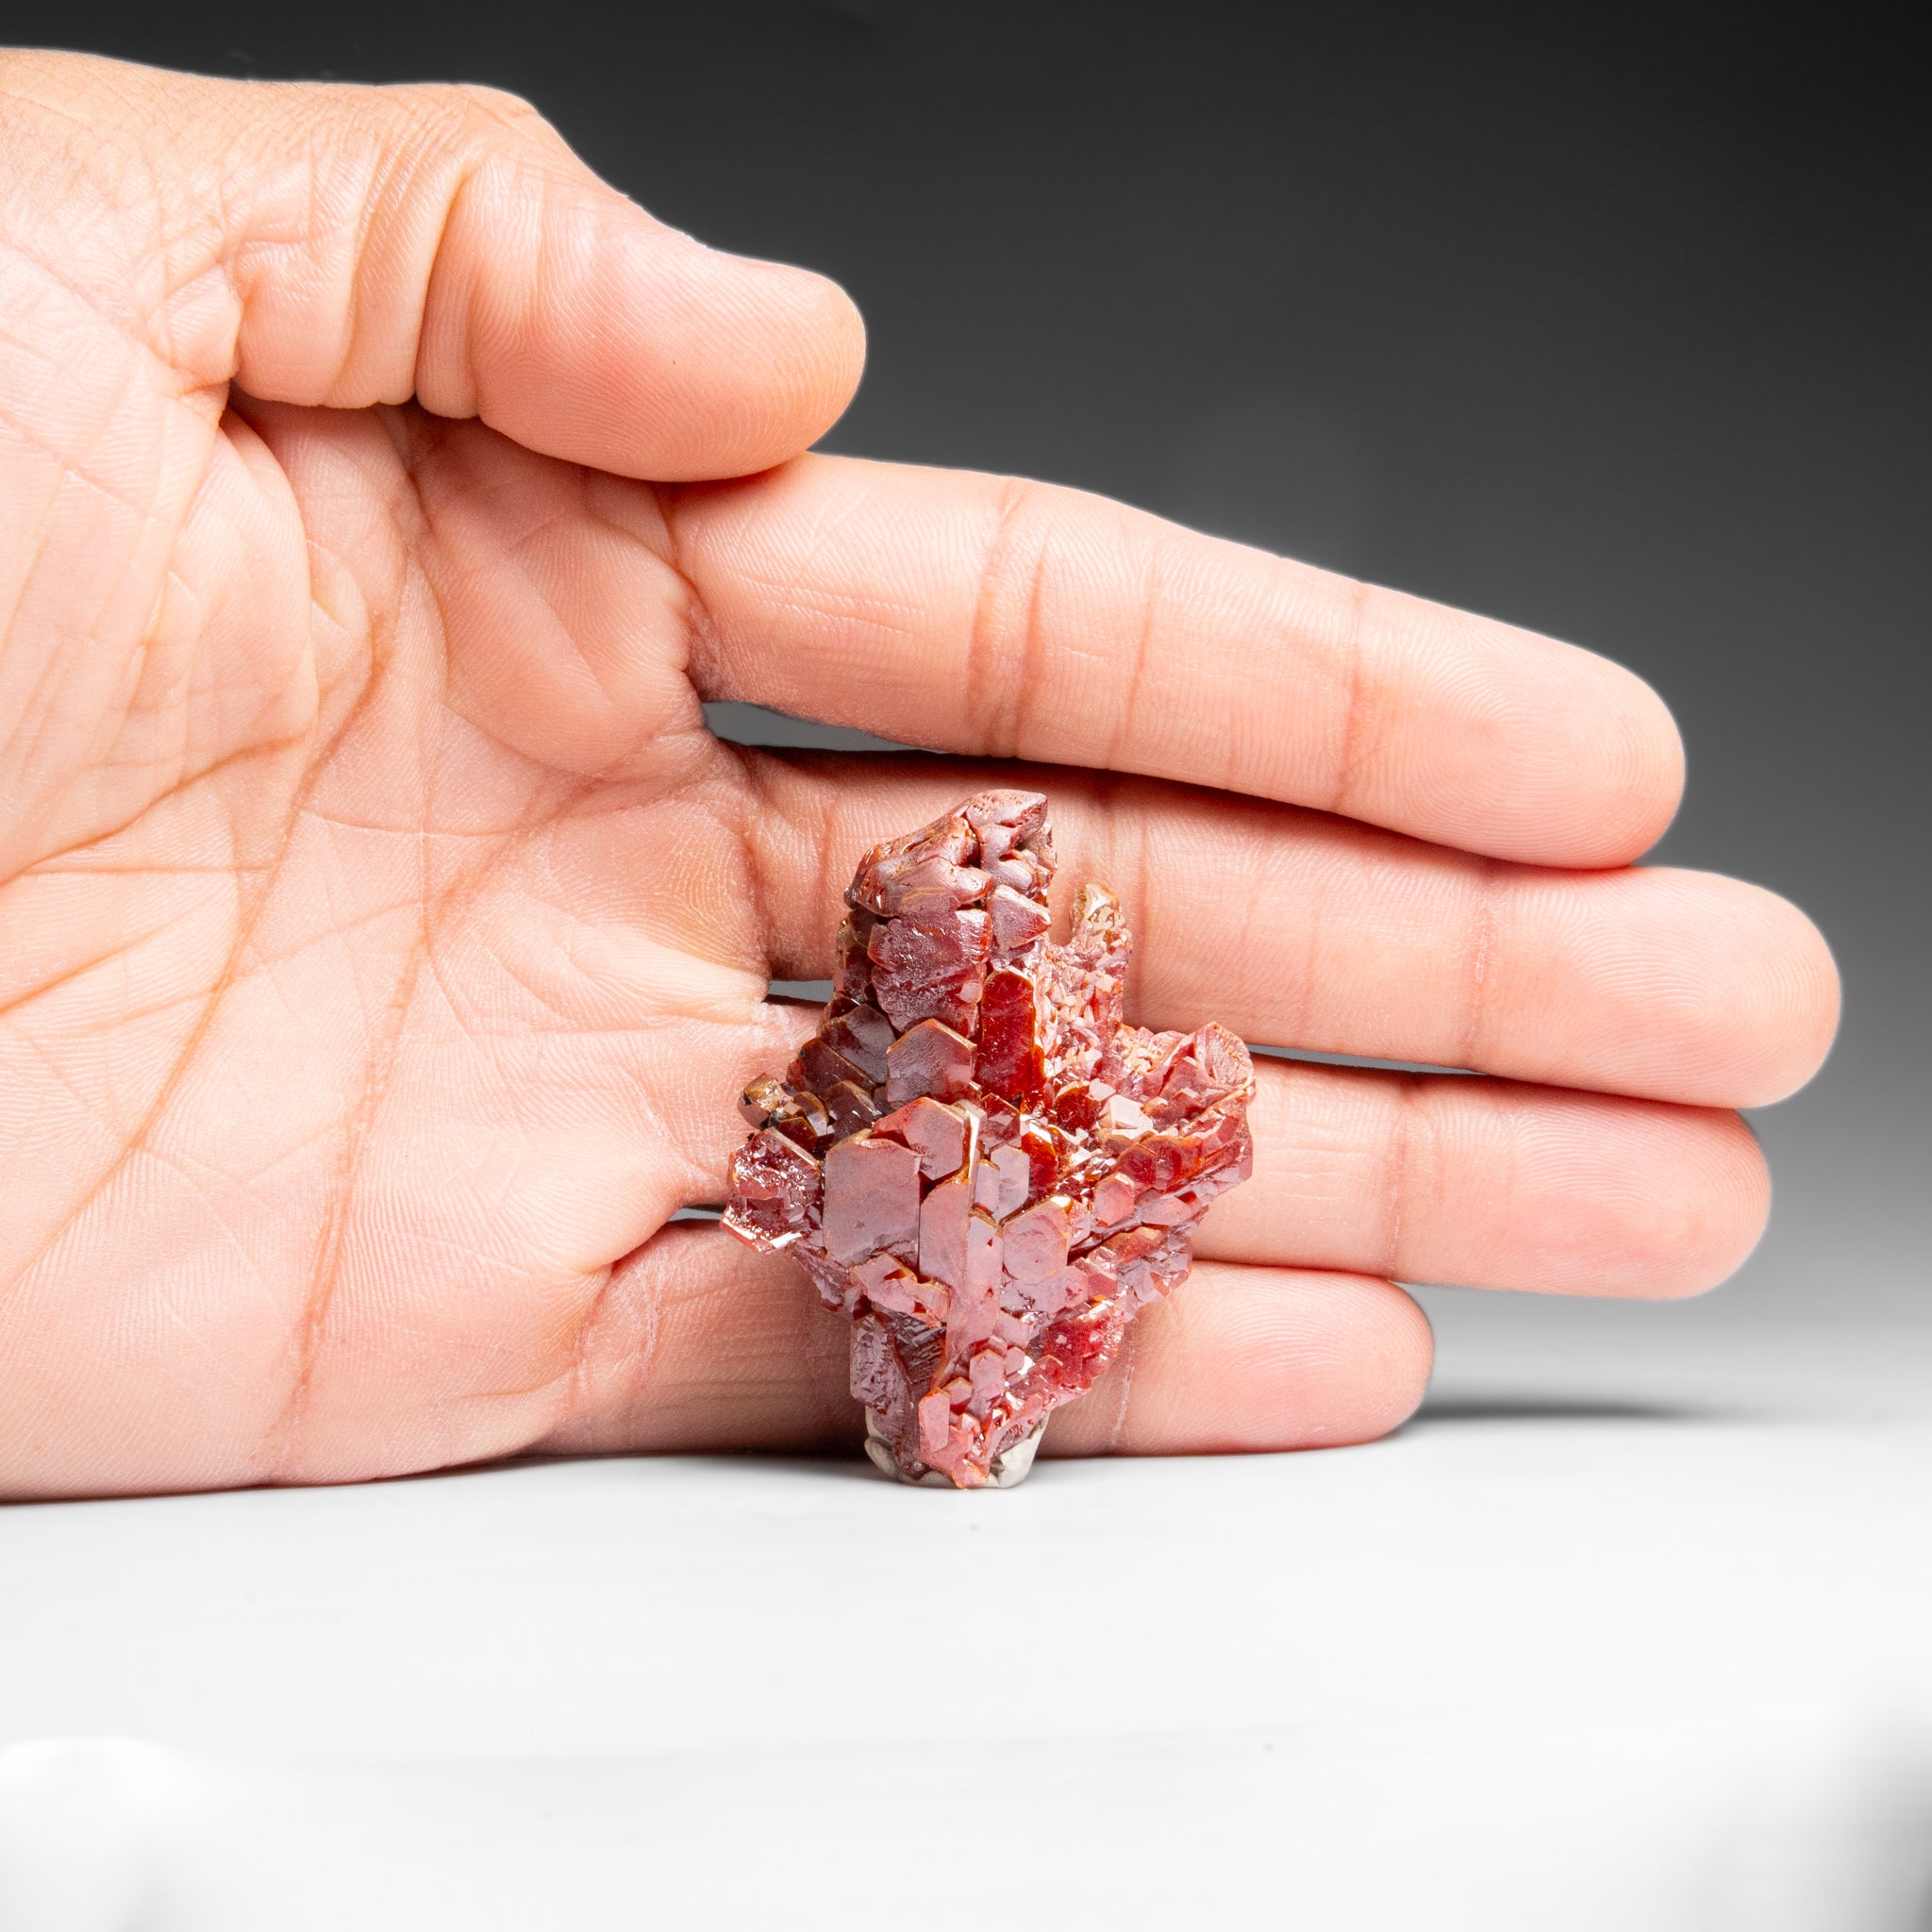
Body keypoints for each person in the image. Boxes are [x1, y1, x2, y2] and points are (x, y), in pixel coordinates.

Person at [0, 52, 1837, 1498]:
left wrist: (1121, 1151)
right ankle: (962, 1386)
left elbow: (1156, 1121)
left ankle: (972, 1385)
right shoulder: (859, 1086)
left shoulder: (1041, 1073)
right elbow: (825, 1156)